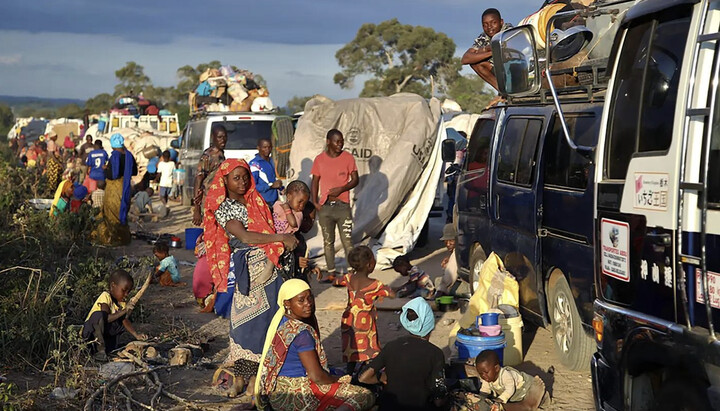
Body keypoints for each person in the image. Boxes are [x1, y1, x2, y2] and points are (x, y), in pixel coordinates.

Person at [203, 159, 298, 395]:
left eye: (245, 176)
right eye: (236, 178)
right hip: (250, 271)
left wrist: (282, 241)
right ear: (224, 180)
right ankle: (242, 377)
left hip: (270, 270)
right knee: (245, 324)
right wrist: (280, 239)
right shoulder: (225, 206)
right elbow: (244, 237)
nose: (242, 182)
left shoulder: (256, 200)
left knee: (269, 322)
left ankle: (258, 378)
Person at [255, 279, 375, 410]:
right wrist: (338, 380)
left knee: (338, 374)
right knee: (364, 395)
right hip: (297, 394)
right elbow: (316, 376)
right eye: (301, 300)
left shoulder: (281, 321)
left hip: (279, 391)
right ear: (287, 303)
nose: (308, 304)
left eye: (310, 298)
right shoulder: (302, 334)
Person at [359, 297, 447, 410]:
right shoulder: (435, 353)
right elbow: (439, 400)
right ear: (430, 322)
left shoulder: (391, 346)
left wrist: (381, 378)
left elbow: (363, 377)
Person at [311, 129, 359, 282]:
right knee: (328, 241)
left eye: (342, 141)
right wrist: (315, 202)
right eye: (337, 141)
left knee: (347, 241)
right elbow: (315, 181)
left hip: (343, 206)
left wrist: (342, 189)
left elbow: (355, 180)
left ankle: (352, 273)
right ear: (328, 142)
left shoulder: (348, 158)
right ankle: (331, 272)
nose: (340, 144)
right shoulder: (319, 159)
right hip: (325, 207)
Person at [341, 246, 395, 375]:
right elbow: (391, 294)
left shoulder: (348, 278)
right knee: (369, 347)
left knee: (352, 346)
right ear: (370, 264)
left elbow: (337, 281)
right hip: (365, 320)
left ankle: (349, 373)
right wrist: (383, 292)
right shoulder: (375, 284)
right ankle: (370, 373)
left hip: (348, 319)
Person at [192, 125, 228, 308]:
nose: (223, 140)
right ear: (213, 137)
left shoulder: (222, 155)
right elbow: (198, 179)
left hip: (221, 204)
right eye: (220, 137)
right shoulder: (208, 156)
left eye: (225, 137)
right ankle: (205, 289)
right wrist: (196, 207)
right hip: (209, 205)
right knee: (210, 243)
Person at [82, 269, 147, 362]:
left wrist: (136, 335)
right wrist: (125, 310)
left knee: (122, 321)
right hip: (90, 337)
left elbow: (124, 321)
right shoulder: (105, 296)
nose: (126, 295)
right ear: (113, 286)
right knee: (98, 316)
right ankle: (100, 351)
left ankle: (109, 348)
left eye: (128, 292)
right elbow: (106, 318)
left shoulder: (121, 303)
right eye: (124, 290)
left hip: (105, 339)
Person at [93, 133, 137, 246]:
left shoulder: (115, 156)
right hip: (125, 187)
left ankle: (113, 238)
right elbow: (134, 172)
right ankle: (124, 238)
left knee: (111, 213)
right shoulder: (129, 155)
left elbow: (113, 174)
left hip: (114, 189)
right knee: (122, 212)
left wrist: (106, 168)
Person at [474, 350, 550, 411]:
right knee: (513, 401)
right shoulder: (487, 378)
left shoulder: (505, 375)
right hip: (513, 395)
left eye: (486, 372)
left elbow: (510, 389)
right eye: (481, 373)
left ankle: (543, 397)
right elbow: (485, 389)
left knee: (528, 396)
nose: (483, 376)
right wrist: (482, 397)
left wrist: (501, 399)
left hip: (522, 388)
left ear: (496, 368)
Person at [461, 8, 513, 91]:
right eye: (485, 24)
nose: (489, 27)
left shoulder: (509, 31)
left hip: (515, 69)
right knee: (475, 63)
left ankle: (508, 90)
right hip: (500, 71)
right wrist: (489, 51)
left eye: (493, 23)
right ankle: (502, 91)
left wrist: (481, 51)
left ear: (501, 22)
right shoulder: (483, 37)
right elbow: (465, 59)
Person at [250, 137, 282, 206]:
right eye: (264, 147)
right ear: (258, 148)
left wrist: (281, 188)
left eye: (269, 147)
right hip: (262, 202)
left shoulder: (273, 161)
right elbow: (252, 186)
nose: (267, 149)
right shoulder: (255, 164)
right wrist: (270, 186)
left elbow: (275, 179)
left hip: (275, 201)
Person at [437, 224, 461, 296]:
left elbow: (448, 278)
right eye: (446, 241)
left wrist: (439, 292)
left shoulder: (457, 252)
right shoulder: (456, 252)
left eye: (451, 241)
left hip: (466, 286)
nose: (448, 244)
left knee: (438, 282)